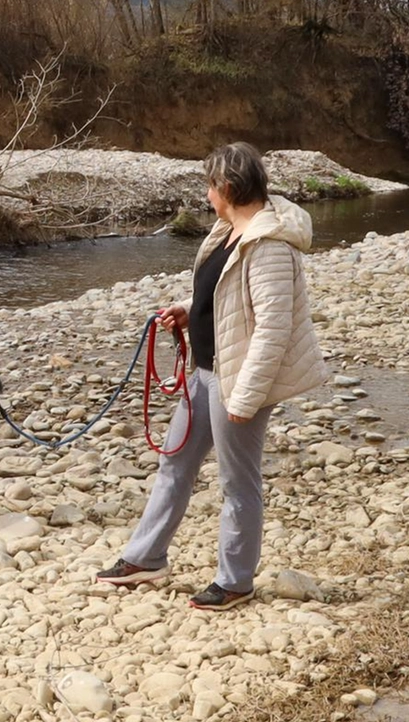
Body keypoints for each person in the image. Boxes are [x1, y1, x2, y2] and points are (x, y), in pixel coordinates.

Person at [97, 142, 328, 611]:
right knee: (174, 463)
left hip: (236, 379)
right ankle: (146, 558)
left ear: (225, 187)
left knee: (237, 483)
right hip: (202, 372)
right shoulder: (228, 230)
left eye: (209, 185)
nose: (206, 194)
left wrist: (245, 398)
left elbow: (273, 330)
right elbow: (221, 296)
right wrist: (187, 310)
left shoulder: (270, 246)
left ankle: (235, 580)